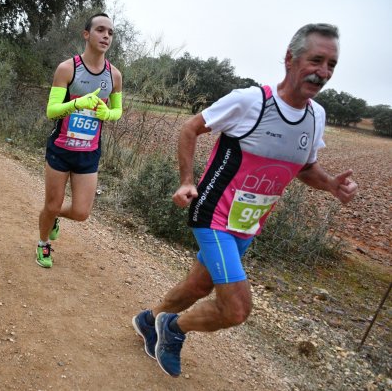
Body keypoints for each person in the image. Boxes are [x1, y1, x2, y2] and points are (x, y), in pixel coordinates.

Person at [132, 23, 358, 377]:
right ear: (290, 58)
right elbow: (191, 127)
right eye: (316, 60)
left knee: (199, 284)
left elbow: (305, 168)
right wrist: (186, 181)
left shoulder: (317, 117)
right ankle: (173, 330)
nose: (323, 72)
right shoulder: (251, 101)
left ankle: (150, 321)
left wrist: (331, 185)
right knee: (236, 309)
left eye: (331, 65)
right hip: (214, 214)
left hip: (247, 223)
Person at [36, 12, 123, 268]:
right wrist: (77, 103)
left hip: (89, 152)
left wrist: (107, 113)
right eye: (100, 30)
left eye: (110, 32)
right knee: (52, 203)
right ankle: (43, 245)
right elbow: (51, 110)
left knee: (81, 213)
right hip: (61, 149)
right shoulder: (67, 68)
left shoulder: (114, 76)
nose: (106, 35)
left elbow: (118, 111)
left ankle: (51, 216)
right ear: (86, 34)